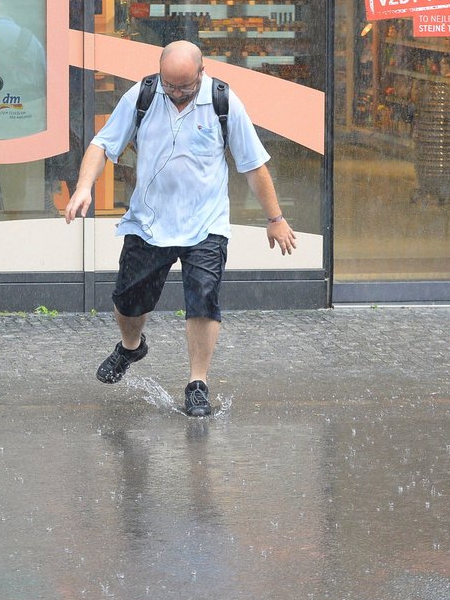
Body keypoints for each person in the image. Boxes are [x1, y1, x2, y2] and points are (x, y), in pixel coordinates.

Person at [64, 40, 296, 416]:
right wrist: (84, 187)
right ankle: (131, 347)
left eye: (184, 88)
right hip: (149, 222)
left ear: (201, 74)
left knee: (203, 299)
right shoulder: (143, 95)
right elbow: (103, 144)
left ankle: (197, 383)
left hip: (206, 224)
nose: (175, 95)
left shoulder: (223, 101)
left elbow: (253, 164)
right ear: (160, 74)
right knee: (128, 301)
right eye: (169, 86)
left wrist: (275, 219)